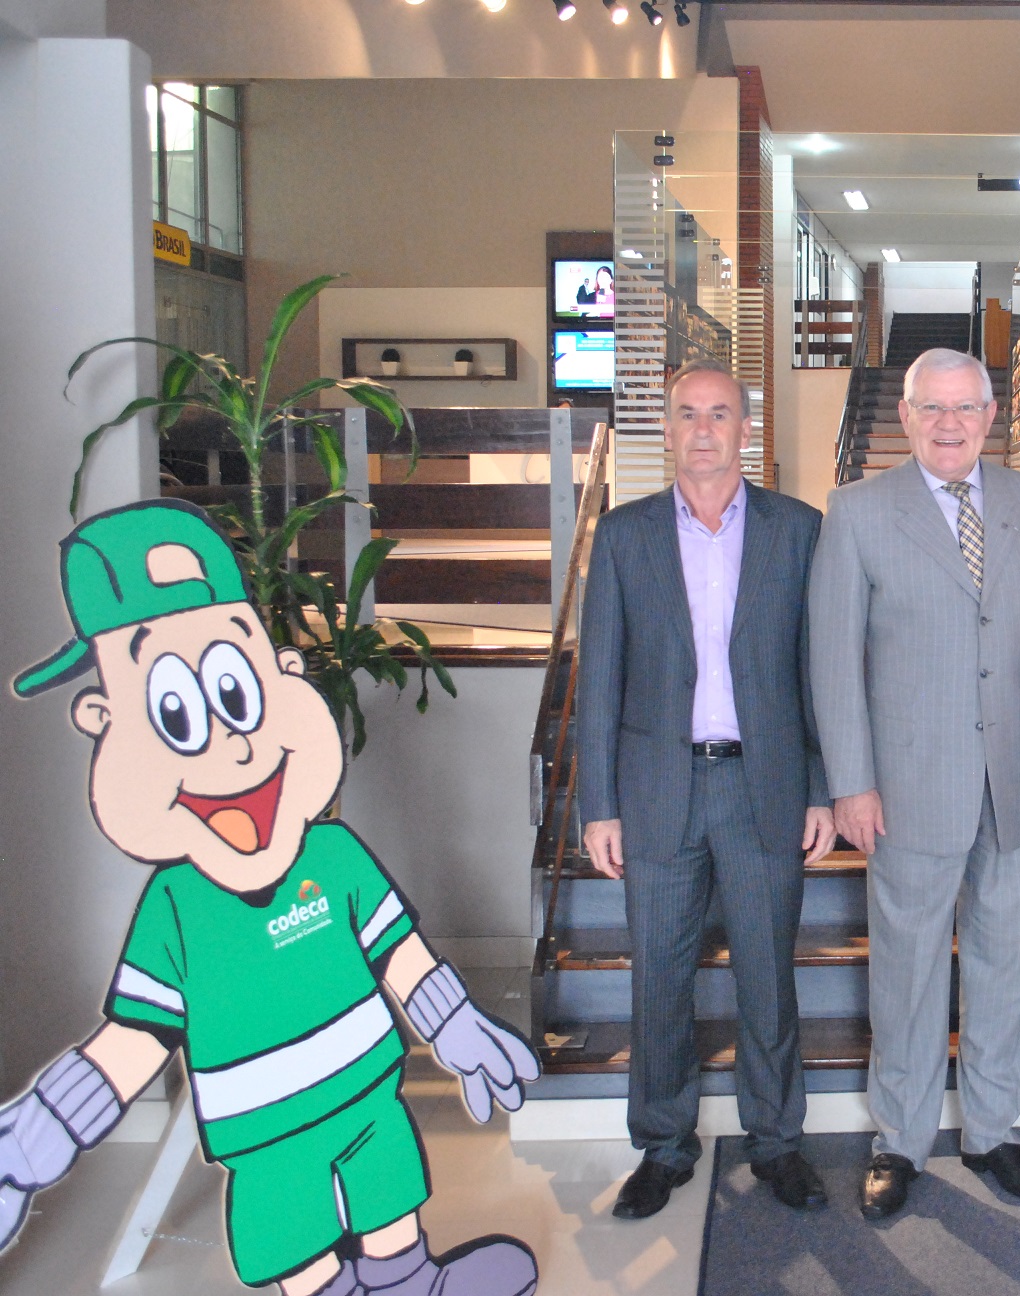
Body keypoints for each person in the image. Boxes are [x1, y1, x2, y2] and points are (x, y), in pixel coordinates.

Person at [0, 499, 540, 1296]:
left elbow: (397, 952)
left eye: (236, 692)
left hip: (369, 1096)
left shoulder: (333, 855)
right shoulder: (175, 909)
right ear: (104, 720)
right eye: (177, 713)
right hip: (264, 1136)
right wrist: (37, 1137)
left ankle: (408, 1281)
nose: (232, 744)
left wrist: (452, 1021)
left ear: (281, 672)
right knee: (292, 1232)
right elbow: (138, 1037)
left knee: (388, 1190)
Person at [809, 348, 1020, 1219]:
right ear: (906, 417)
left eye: (966, 408)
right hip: (906, 785)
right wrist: (851, 781)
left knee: (1005, 966)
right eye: (932, 408)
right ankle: (901, 1138)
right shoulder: (856, 511)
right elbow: (834, 660)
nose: (950, 423)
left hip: (1012, 777)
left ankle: (994, 1132)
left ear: (991, 416)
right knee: (909, 970)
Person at [578, 360, 836, 1221]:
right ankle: (662, 1144)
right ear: (666, 429)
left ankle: (777, 1142)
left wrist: (822, 788)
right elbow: (599, 678)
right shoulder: (625, 536)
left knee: (768, 976)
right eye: (686, 413)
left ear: (745, 429)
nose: (702, 429)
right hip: (660, 788)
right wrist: (598, 804)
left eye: (719, 413)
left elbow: (817, 673)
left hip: (766, 785)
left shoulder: (798, 531)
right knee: (659, 978)